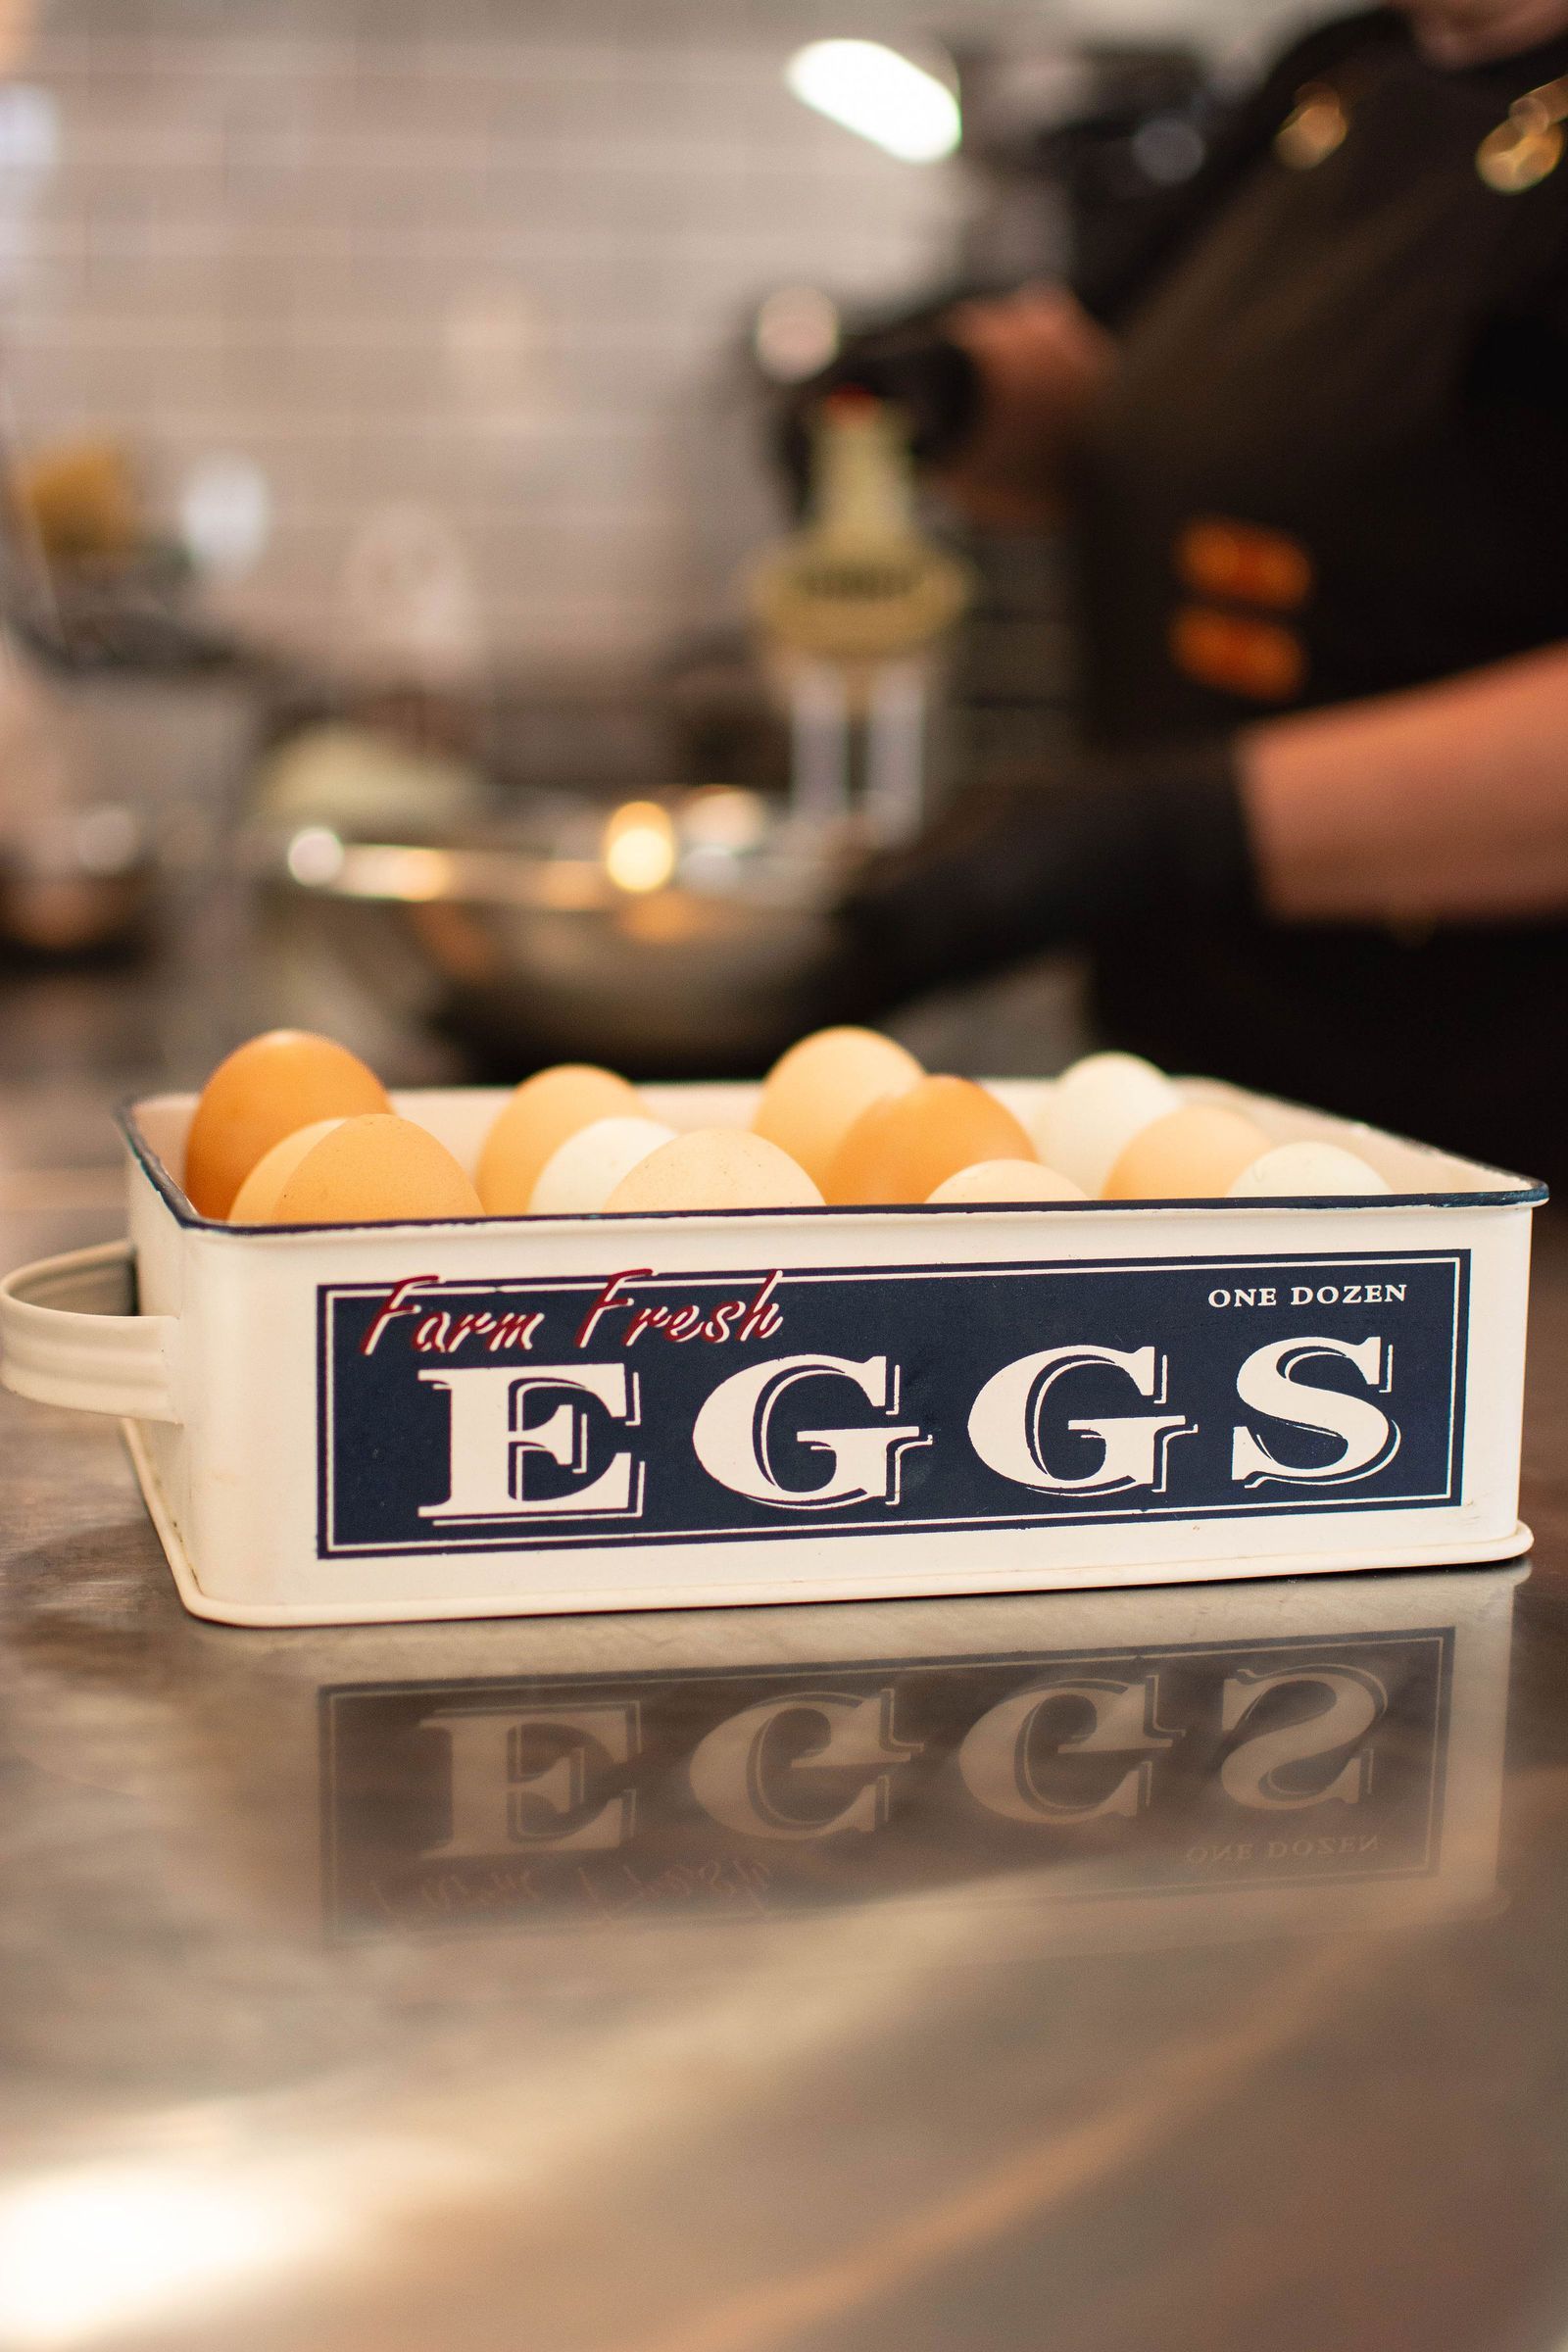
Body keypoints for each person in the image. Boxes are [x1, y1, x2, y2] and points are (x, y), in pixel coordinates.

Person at [829, 0, 1568, 1178]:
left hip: (1495, 1124)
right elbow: (1122, 389)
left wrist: (1175, 828)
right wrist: (946, 398)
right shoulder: (1343, 72)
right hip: (1204, 1069)